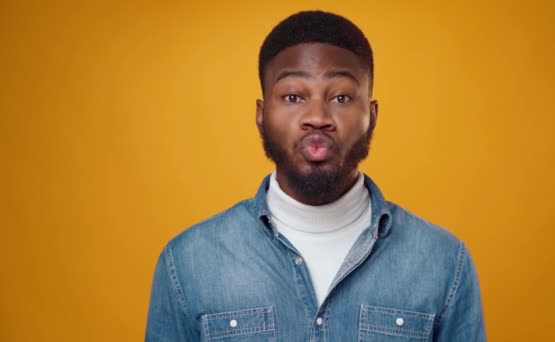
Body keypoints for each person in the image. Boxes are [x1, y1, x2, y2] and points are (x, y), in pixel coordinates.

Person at [145, 10, 485, 341]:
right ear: (262, 115)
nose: (317, 117)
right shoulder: (188, 262)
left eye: (341, 96)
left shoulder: (443, 262)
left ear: (372, 114)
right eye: (293, 96)